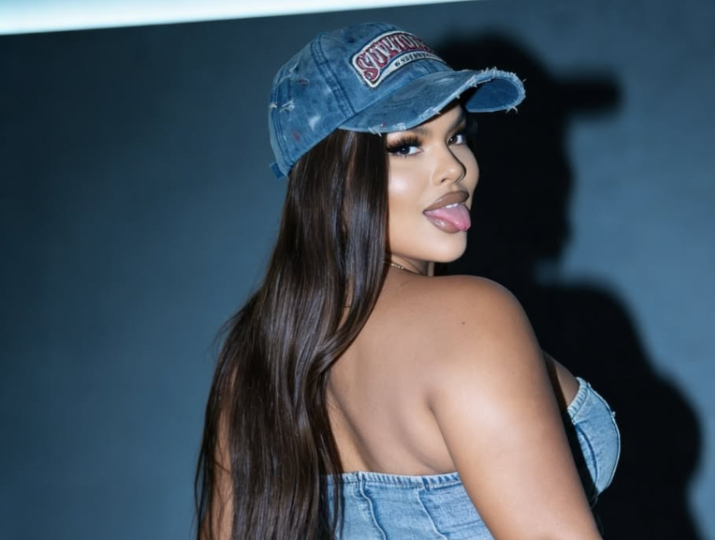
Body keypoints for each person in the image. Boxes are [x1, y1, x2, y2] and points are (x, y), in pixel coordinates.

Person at [195, 22, 620, 540]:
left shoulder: (253, 360)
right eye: (406, 146)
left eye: (457, 136)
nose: (454, 169)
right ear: (333, 177)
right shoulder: (471, 317)